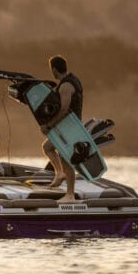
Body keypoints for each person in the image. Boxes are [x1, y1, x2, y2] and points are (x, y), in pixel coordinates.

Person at [40, 55, 84, 201]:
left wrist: (49, 125)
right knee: (48, 147)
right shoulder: (72, 80)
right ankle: (59, 173)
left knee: (65, 157)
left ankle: (70, 195)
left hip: (69, 127)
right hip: (66, 126)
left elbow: (64, 109)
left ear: (54, 69)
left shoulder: (66, 86)